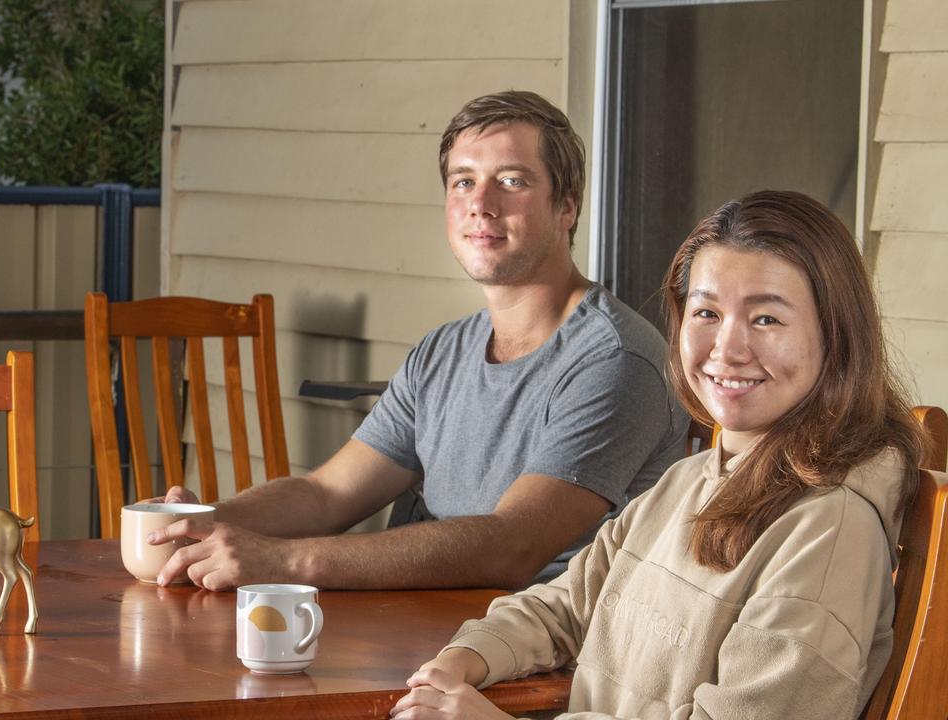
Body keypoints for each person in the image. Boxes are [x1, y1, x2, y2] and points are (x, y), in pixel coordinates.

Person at [391, 190, 927, 720]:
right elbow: (565, 606)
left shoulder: (831, 530)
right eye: (706, 312)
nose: (728, 348)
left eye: (766, 319)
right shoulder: (688, 482)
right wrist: (463, 660)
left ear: (837, 339)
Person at [150, 90, 686, 591]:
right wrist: (199, 523)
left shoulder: (616, 361)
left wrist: (287, 561)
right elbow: (327, 495)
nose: (481, 203)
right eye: (463, 181)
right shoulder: (442, 353)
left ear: (566, 208)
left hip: (550, 662)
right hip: (432, 636)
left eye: (513, 181)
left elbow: (512, 546)